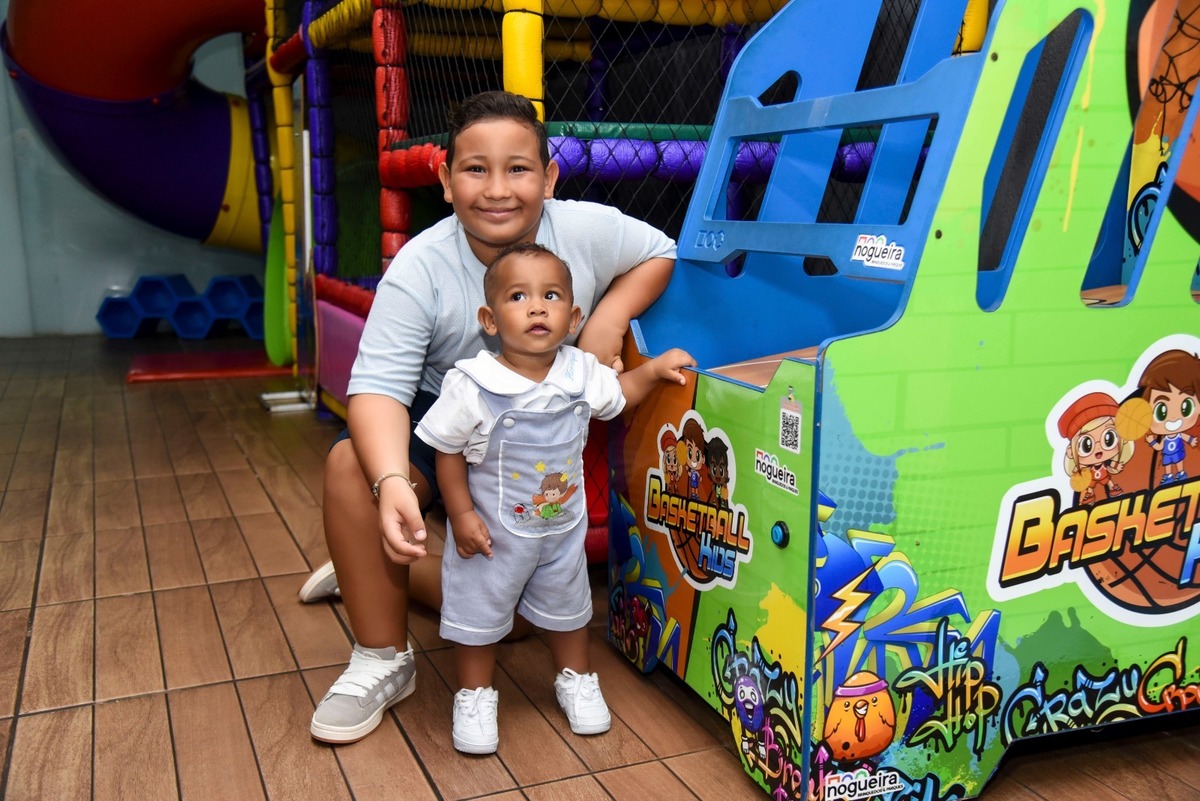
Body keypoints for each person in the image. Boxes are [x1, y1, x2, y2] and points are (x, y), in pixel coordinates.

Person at [307, 90, 679, 744]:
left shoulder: (582, 229)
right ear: (446, 180)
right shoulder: (422, 266)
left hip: (541, 435)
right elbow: (378, 391)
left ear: (549, 178)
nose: (498, 189)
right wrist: (392, 482)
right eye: (476, 169)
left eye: (519, 169)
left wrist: (610, 317)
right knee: (351, 467)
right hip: (448, 416)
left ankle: (369, 568)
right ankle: (380, 654)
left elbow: (661, 250)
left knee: (518, 621)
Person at [415, 242, 694, 753]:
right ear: (490, 319)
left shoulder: (579, 374)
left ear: (573, 318)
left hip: (561, 533)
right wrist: (460, 512)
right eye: (518, 296)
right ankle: (474, 694)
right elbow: (447, 450)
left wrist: (651, 373)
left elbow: (618, 398)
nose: (537, 308)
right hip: (492, 536)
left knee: (569, 609)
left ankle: (576, 678)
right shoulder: (474, 384)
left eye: (551, 296)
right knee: (479, 613)